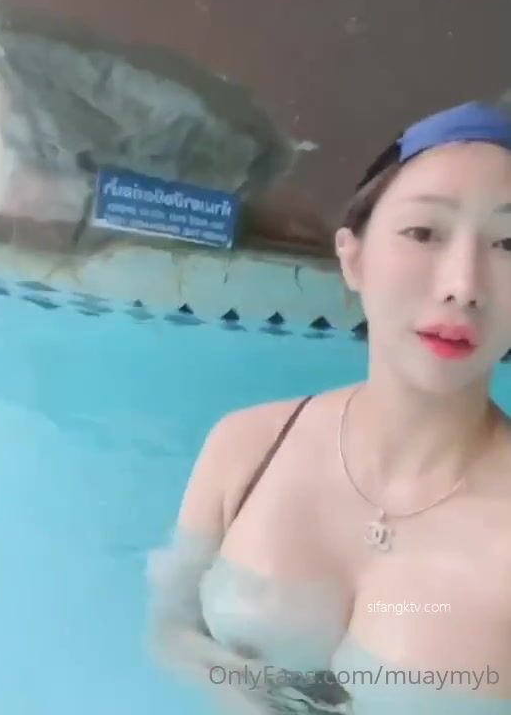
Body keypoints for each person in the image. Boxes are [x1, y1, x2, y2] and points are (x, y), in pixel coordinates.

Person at [146, 100, 511, 714]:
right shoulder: (247, 448)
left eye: (509, 243)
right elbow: (171, 629)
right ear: (353, 256)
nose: (463, 286)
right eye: (424, 232)